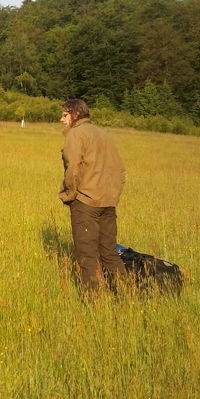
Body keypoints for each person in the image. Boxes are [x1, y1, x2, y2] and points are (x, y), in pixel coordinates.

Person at [59, 98, 127, 293]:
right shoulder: (103, 134)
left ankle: (92, 301)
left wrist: (69, 195)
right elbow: (120, 170)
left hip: (86, 203)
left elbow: (72, 168)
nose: (62, 120)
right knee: (110, 253)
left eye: (65, 115)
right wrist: (113, 196)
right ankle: (126, 295)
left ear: (75, 114)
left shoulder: (76, 133)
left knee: (87, 256)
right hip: (108, 203)